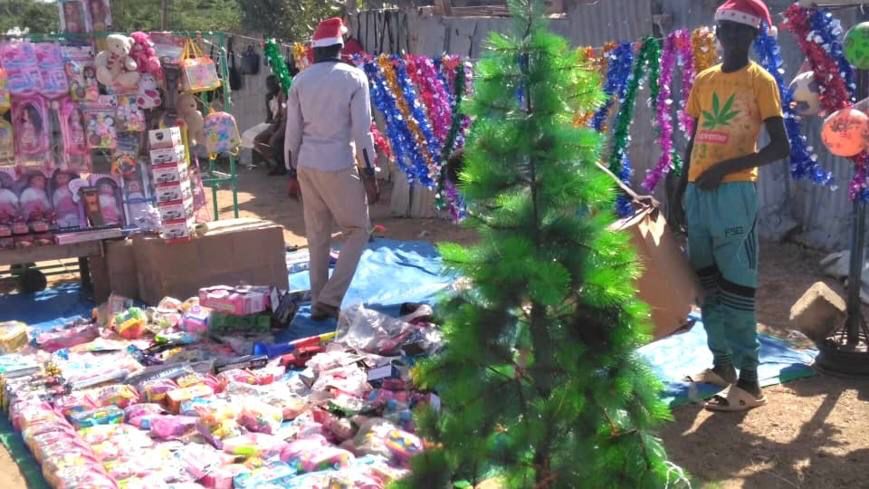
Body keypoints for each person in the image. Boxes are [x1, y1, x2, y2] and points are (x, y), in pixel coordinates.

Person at [674, 0, 790, 412]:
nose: (731, 38)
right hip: (697, 193)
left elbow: (780, 146)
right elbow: (695, 139)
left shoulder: (761, 82)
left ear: (754, 35)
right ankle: (722, 366)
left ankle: (751, 383)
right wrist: (677, 196)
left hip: (734, 194)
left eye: (741, 31)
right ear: (717, 32)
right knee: (706, 285)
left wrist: (726, 169)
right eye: (725, 30)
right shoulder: (704, 80)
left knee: (737, 286)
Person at [285, 17, 380, 321]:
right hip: (339, 163)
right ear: (341, 47)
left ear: (314, 50)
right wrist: (369, 173)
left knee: (317, 236)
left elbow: (292, 132)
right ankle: (330, 298)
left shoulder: (300, 80)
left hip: (306, 165)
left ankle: (318, 301)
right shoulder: (354, 78)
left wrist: (291, 171)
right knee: (358, 230)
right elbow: (362, 132)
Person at [252, 75, 287, 175]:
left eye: (272, 84)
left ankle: (281, 165)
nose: (270, 87)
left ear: (278, 84)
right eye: (268, 85)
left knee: (273, 141)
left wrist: (274, 128)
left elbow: (282, 116)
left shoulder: (282, 94)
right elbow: (268, 118)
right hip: (274, 123)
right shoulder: (269, 97)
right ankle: (276, 162)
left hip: (282, 123)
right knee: (257, 140)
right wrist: (267, 102)